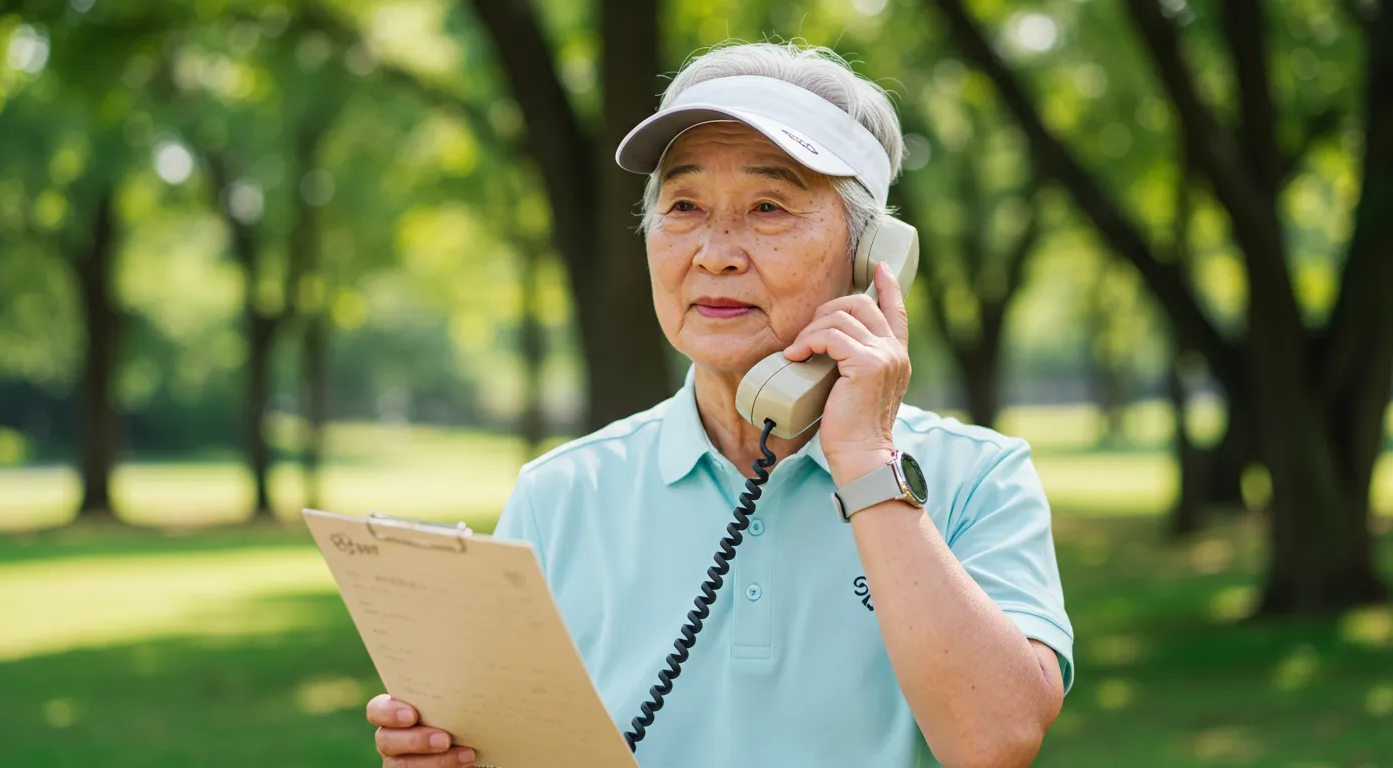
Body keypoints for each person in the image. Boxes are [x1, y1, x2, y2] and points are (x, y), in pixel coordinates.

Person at [366, 41, 1073, 768]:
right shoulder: (560, 494)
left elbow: (995, 741)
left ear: (874, 258)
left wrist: (868, 463)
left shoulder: (979, 477)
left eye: (768, 207)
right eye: (684, 206)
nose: (715, 253)